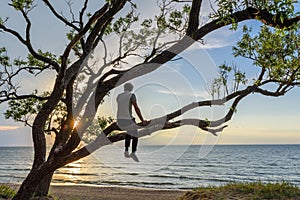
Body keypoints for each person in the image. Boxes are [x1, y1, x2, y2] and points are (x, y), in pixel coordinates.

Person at [116, 82, 147, 162]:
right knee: (135, 134)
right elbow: (136, 108)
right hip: (127, 120)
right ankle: (133, 152)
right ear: (131, 89)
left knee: (129, 132)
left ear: (124, 88)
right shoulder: (132, 95)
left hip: (119, 120)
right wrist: (142, 120)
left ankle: (126, 150)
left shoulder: (119, 96)